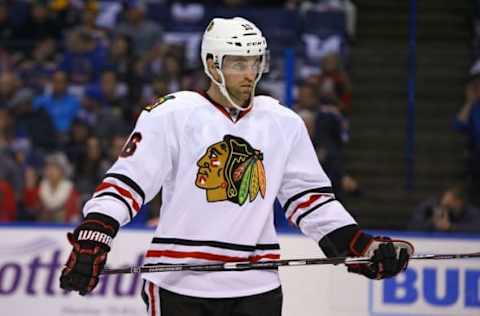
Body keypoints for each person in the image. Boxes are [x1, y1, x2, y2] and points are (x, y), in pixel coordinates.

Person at [59, 17, 413, 316]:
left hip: (256, 288)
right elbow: (126, 183)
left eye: (255, 62)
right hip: (179, 288)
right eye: (238, 64)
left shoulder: (282, 122)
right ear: (213, 65)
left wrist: (358, 246)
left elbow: (311, 201)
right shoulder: (171, 113)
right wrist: (96, 234)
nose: (250, 74)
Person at [408, 186, 480, 233]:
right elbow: (413, 225)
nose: (445, 208)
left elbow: (477, 227)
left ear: (459, 202)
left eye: (448, 205)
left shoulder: (471, 212)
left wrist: (451, 227)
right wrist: (432, 223)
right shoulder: (428, 207)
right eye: (443, 205)